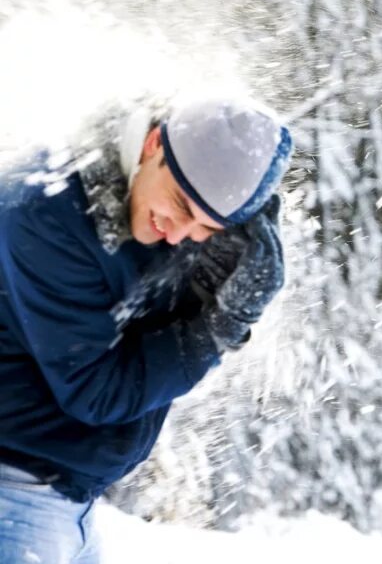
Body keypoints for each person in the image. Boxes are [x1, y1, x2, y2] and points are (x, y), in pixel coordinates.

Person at [0, 95, 293, 563]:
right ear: (154, 143)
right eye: (180, 204)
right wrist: (219, 325)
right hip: (14, 496)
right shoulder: (46, 210)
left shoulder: (159, 197)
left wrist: (211, 287)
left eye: (205, 227)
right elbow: (97, 391)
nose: (178, 234)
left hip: (70, 500)